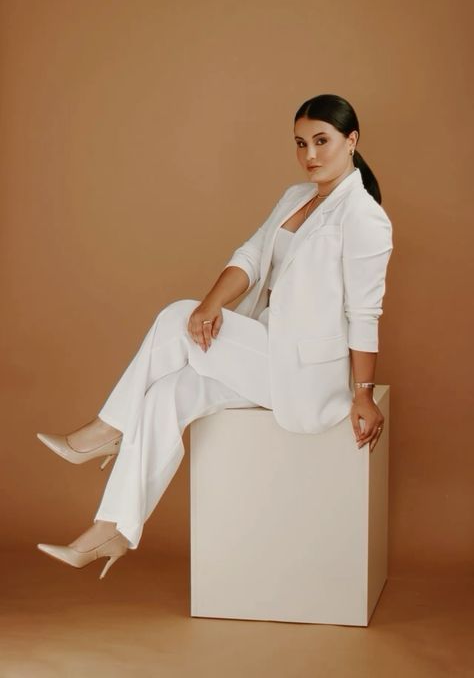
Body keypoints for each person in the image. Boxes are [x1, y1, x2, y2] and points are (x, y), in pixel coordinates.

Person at [36, 94, 394, 579]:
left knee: (173, 317)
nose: (310, 154)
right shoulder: (296, 197)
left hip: (307, 377)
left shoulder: (365, 217)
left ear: (351, 141)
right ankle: (112, 531)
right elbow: (250, 254)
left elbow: (365, 312)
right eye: (300, 143)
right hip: (265, 354)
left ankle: (108, 429)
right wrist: (212, 302)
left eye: (322, 141)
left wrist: (364, 393)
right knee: (166, 394)